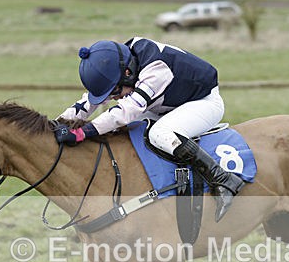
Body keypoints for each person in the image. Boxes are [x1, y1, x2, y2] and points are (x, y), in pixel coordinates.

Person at [55, 37, 244, 221]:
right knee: (129, 131)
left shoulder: (156, 71)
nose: (113, 98)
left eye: (114, 93)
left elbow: (125, 111)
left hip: (203, 103)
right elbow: (88, 102)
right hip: (168, 104)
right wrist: (57, 123)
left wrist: (83, 132)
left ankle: (223, 179)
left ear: (128, 73)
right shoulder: (123, 60)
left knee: (159, 134)